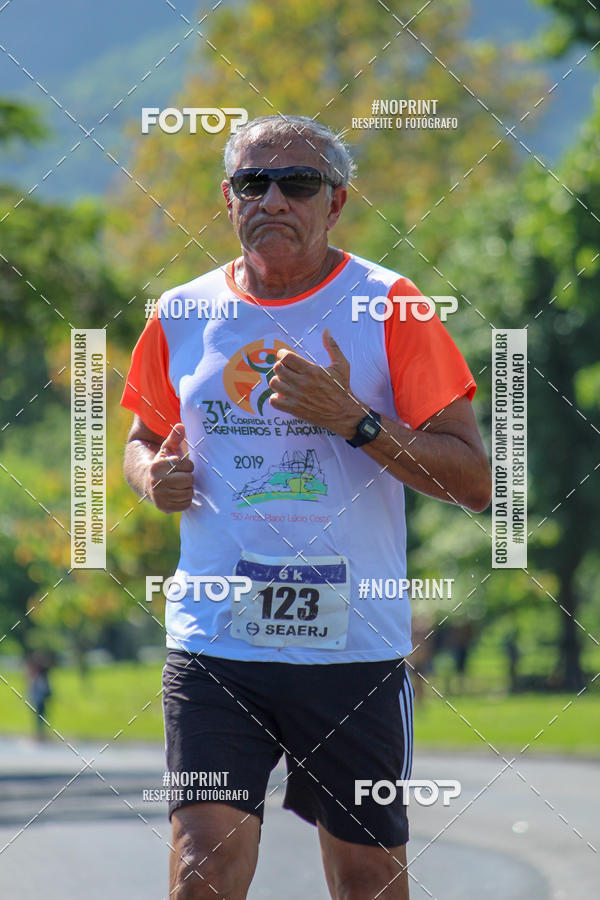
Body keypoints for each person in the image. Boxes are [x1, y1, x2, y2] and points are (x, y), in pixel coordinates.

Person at [121, 115, 491, 900]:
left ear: (337, 202)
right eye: (253, 182)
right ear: (227, 199)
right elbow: (140, 439)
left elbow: (475, 481)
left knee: (366, 878)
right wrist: (152, 477)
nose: (274, 199)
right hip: (216, 640)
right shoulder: (181, 312)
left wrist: (355, 420)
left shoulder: (392, 305)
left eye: (299, 183)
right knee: (203, 867)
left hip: (352, 648)